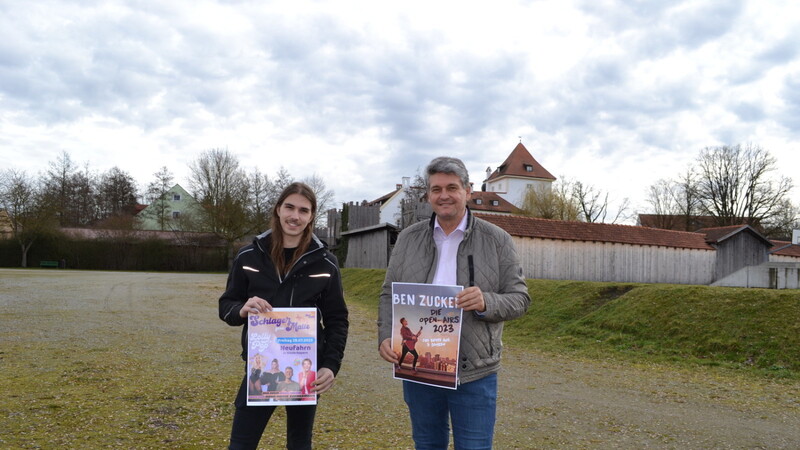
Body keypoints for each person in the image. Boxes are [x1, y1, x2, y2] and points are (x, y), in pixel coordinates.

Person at [378, 156, 531, 449]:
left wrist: (486, 301)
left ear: (468, 191)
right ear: (428, 195)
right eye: (436, 189)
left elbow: (520, 299)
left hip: (474, 369)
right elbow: (388, 293)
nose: (444, 195)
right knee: (427, 444)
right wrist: (386, 334)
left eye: (452, 187)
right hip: (420, 370)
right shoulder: (408, 239)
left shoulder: (497, 240)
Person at [219, 182, 349, 450]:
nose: (295, 216)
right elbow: (227, 305)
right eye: (289, 207)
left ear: (312, 216)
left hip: (304, 370)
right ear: (278, 209)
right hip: (261, 366)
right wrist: (241, 310)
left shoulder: (325, 262)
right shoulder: (248, 256)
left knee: (300, 444)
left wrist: (330, 366)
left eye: (304, 210)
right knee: (241, 444)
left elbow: (337, 319)